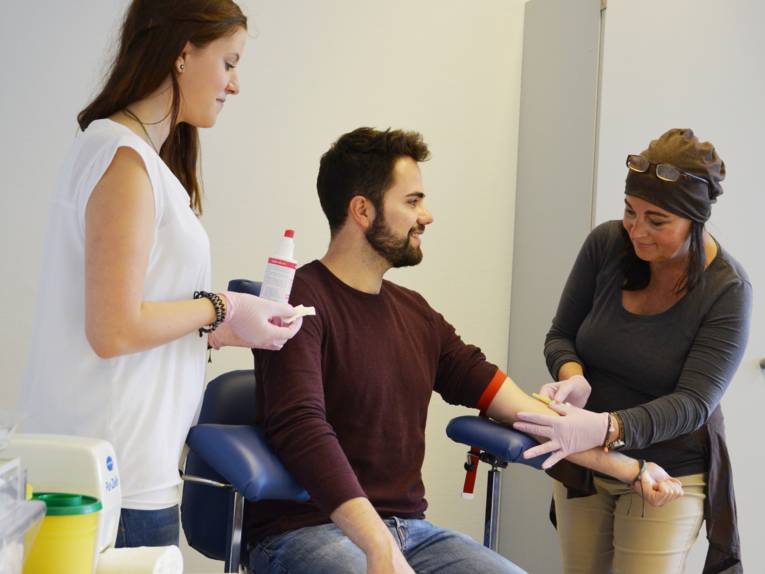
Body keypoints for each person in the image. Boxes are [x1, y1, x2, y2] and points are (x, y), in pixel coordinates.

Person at [246, 127, 684, 574]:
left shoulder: (416, 315)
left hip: (409, 532)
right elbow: (301, 428)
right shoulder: (295, 301)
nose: (427, 215)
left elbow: (530, 415)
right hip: (307, 531)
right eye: (412, 201)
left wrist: (633, 469)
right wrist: (378, 546)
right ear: (362, 210)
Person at [20, 0, 302, 548]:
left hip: (124, 472)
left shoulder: (136, 157)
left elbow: (135, 312)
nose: (235, 84)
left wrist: (217, 328)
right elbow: (113, 330)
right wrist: (222, 306)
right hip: (114, 482)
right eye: (228, 63)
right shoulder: (122, 158)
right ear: (182, 53)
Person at [513, 128, 751, 573]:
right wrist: (572, 376)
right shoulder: (606, 245)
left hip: (671, 471)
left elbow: (694, 403)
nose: (637, 231)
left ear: (694, 220)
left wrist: (607, 426)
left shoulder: (727, 290)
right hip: (588, 461)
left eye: (657, 221)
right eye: (630, 211)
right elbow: (560, 335)